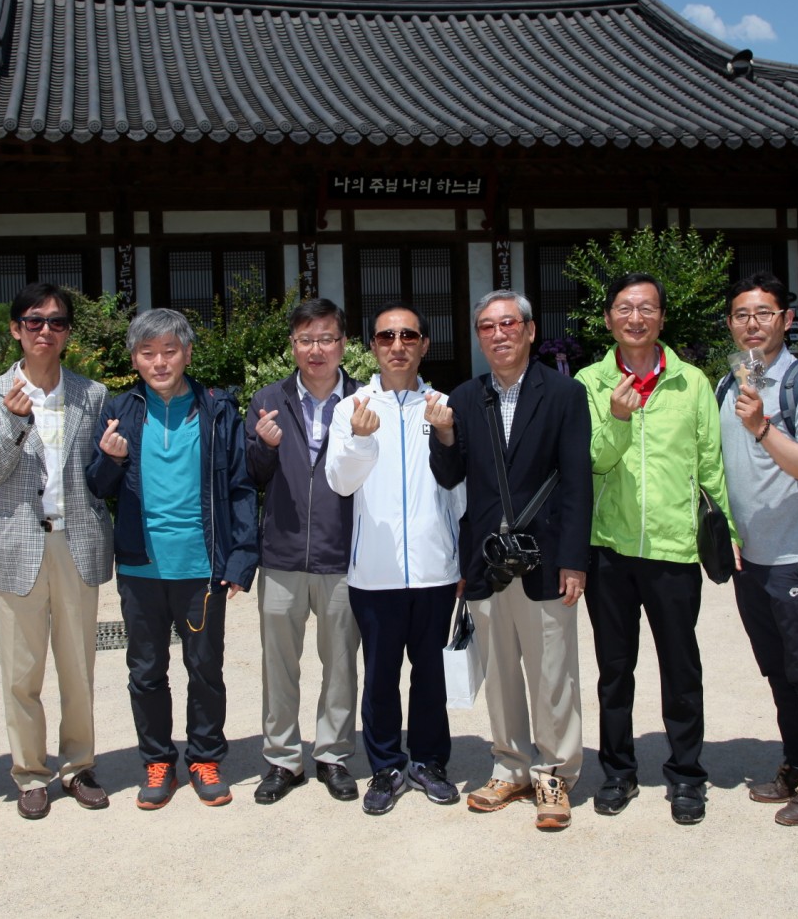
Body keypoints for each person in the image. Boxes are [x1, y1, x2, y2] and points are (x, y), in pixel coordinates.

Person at [430, 290, 591, 831]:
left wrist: (574, 559)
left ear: (529, 330)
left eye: (507, 324)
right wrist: (444, 433)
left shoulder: (564, 393)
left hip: (547, 555)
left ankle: (555, 772)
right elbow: (450, 476)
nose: (497, 334)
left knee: (552, 671)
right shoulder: (464, 396)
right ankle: (510, 765)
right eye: (486, 326)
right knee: (498, 671)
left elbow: (577, 480)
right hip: (487, 557)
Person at [575, 271, 732, 825]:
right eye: (624, 308)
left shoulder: (692, 382)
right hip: (609, 549)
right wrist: (618, 419)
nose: (635, 318)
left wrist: (726, 535)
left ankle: (687, 774)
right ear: (608, 319)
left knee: (681, 667)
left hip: (674, 548)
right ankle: (618, 771)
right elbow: (590, 461)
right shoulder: (589, 382)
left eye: (646, 308)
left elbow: (711, 465)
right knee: (614, 671)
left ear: (662, 317)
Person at [85, 308, 258, 810]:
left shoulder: (217, 409)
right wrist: (111, 458)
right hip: (140, 565)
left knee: (205, 668)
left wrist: (240, 559)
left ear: (187, 353)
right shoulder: (120, 411)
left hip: (200, 566)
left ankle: (205, 757)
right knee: (145, 670)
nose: (159, 362)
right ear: (134, 359)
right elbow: (98, 485)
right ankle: (158, 761)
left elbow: (241, 487)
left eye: (169, 351)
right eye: (147, 353)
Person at [0, 283, 115, 820]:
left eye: (56, 322)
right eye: (34, 321)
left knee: (79, 668)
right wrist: (15, 421)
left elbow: (100, 472)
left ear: (68, 332)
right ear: (15, 329)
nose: (45, 331)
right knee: (21, 672)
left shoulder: (92, 395)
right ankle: (30, 773)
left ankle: (78, 766)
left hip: (77, 541)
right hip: (20, 543)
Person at [325, 303, 465, 816]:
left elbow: (460, 491)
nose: (397, 345)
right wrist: (362, 440)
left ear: (424, 344)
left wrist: (460, 558)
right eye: (386, 337)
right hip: (375, 572)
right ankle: (385, 765)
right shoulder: (352, 407)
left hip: (434, 569)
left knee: (430, 674)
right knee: (380, 676)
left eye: (408, 336)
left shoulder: (444, 405)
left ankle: (429, 761)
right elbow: (340, 481)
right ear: (373, 347)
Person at [718, 273, 798, 825]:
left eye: (764, 313)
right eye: (742, 314)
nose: (752, 324)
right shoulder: (728, 384)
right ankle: (797, 761)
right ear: (731, 324)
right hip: (752, 559)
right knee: (777, 669)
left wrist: (763, 427)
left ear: (786, 320)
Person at [245, 298, 363, 804]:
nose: (317, 349)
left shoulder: (364, 400)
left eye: (327, 338)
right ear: (292, 346)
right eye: (306, 340)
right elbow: (250, 476)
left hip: (343, 554)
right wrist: (263, 446)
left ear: (343, 344)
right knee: (279, 664)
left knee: (340, 663)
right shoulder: (268, 400)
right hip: (282, 554)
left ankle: (333, 754)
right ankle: (283, 758)